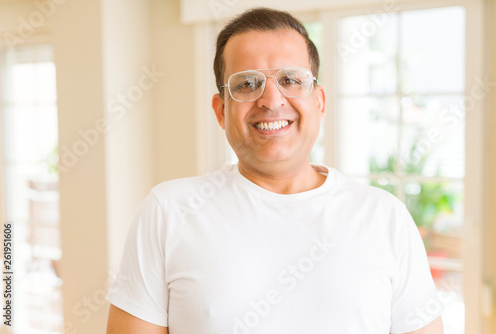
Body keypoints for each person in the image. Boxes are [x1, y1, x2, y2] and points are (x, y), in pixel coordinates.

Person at [106, 7, 443, 334]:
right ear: (221, 111)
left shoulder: (385, 218)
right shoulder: (167, 211)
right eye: (247, 84)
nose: (271, 99)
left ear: (319, 103)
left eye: (290, 79)